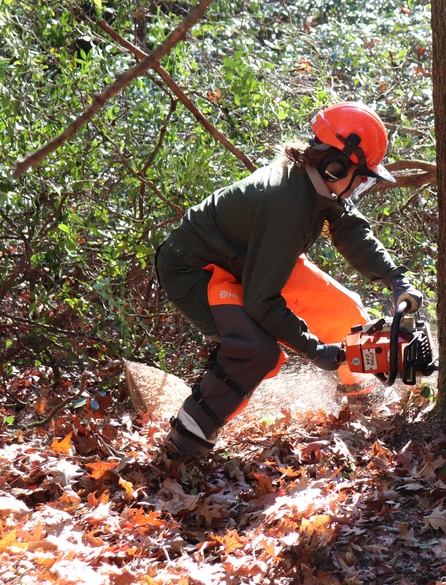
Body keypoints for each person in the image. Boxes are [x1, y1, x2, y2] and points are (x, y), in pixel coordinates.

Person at [154, 101, 423, 457]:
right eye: (361, 176)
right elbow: (261, 301)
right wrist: (315, 350)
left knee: (343, 312)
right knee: (256, 349)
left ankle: (364, 403)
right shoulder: (286, 204)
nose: (360, 186)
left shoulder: (316, 184)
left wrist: (396, 278)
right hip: (196, 270)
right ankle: (186, 441)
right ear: (336, 165)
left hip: (247, 259)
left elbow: (351, 232)